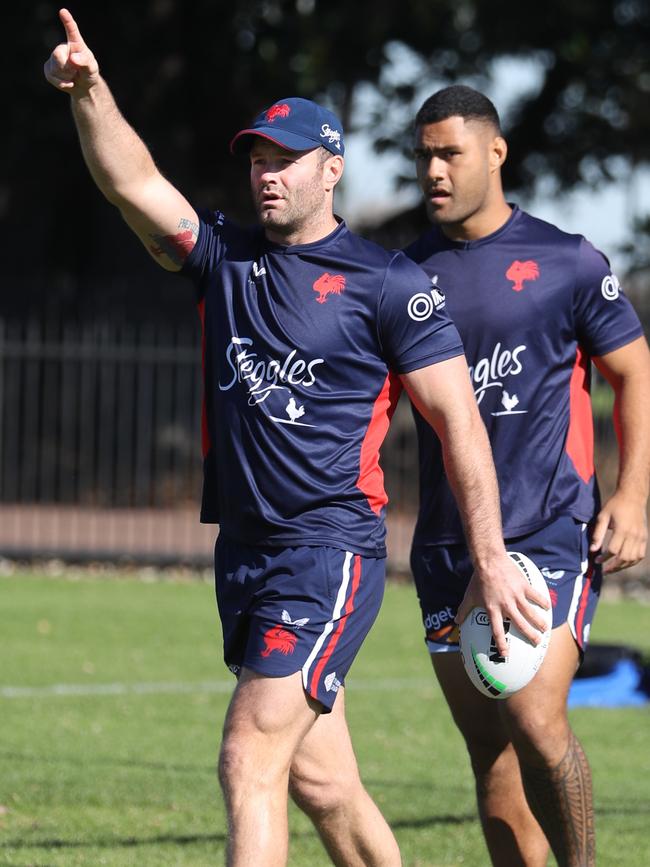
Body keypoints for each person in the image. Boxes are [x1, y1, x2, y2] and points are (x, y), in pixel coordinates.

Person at [44, 14, 548, 865]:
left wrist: (491, 556)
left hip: (327, 552)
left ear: (332, 168)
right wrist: (91, 92)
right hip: (243, 552)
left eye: (285, 158)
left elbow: (461, 421)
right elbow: (133, 183)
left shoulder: (389, 285)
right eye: (256, 158)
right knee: (324, 784)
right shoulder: (223, 259)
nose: (266, 173)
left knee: (249, 756)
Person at [405, 83, 650, 867]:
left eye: (450, 153)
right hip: (447, 549)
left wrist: (634, 493)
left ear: (495, 152)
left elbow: (634, 371)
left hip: (548, 533)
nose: (434, 170)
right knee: (492, 755)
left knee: (537, 722)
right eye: (423, 156)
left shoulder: (565, 260)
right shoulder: (402, 277)